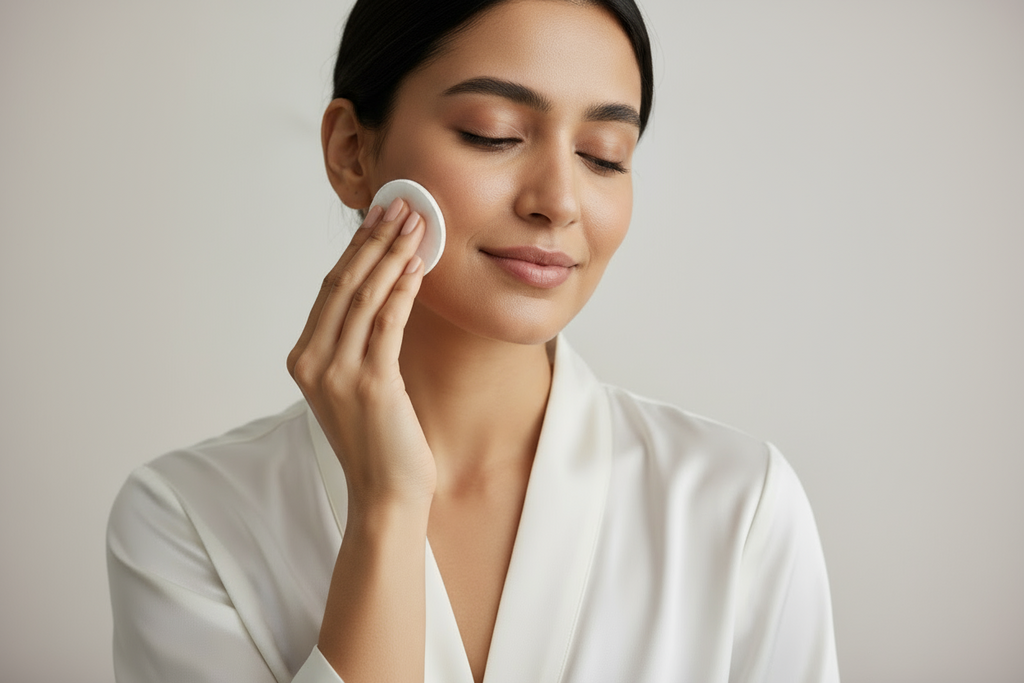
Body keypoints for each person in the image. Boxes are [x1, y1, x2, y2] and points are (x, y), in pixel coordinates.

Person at [107, 0, 841, 681]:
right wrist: (387, 507)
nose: (557, 201)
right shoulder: (186, 517)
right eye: (494, 133)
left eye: (605, 154)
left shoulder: (737, 503)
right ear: (352, 152)